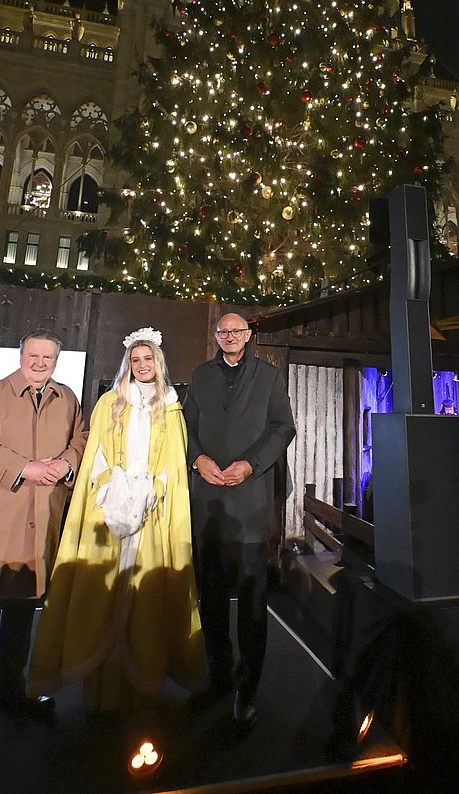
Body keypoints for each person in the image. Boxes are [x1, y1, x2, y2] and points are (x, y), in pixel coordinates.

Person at [27, 328, 204, 716]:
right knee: (103, 593)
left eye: (148, 360)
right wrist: (112, 487)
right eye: (136, 360)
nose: (142, 366)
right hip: (109, 508)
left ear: (158, 364)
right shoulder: (110, 402)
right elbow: (97, 454)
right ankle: (101, 691)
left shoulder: (171, 407)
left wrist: (152, 490)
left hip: (151, 511)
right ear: (128, 363)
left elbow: (173, 463)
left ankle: (141, 686)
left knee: (144, 593)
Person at [0, 329, 86, 756]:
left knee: (22, 619)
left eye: (48, 357)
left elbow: (80, 440)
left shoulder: (67, 399)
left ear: (56, 361)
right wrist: (26, 468)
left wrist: (66, 463)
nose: (40, 362)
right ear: (21, 355)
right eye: (34, 355)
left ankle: (11, 695)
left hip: (41, 526)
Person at [184, 311, 296, 728]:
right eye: (224, 331)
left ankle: (247, 690)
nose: (230, 336)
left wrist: (251, 464)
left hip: (249, 503)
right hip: (208, 503)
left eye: (237, 331)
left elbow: (284, 427)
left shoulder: (268, 377)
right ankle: (219, 676)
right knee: (210, 597)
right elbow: (185, 426)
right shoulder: (199, 376)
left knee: (252, 601)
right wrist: (197, 458)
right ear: (217, 335)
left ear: (249, 335)